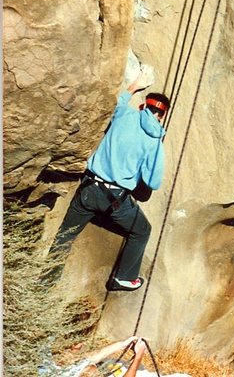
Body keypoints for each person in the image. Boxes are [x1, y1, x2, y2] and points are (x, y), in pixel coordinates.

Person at [46, 67, 170, 292]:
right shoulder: (155, 141)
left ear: (143, 106)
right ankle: (123, 278)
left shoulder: (124, 114)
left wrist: (135, 85)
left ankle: (44, 285)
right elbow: (152, 182)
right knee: (142, 231)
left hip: (88, 189)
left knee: (65, 236)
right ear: (162, 116)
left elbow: (116, 103)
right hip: (116, 200)